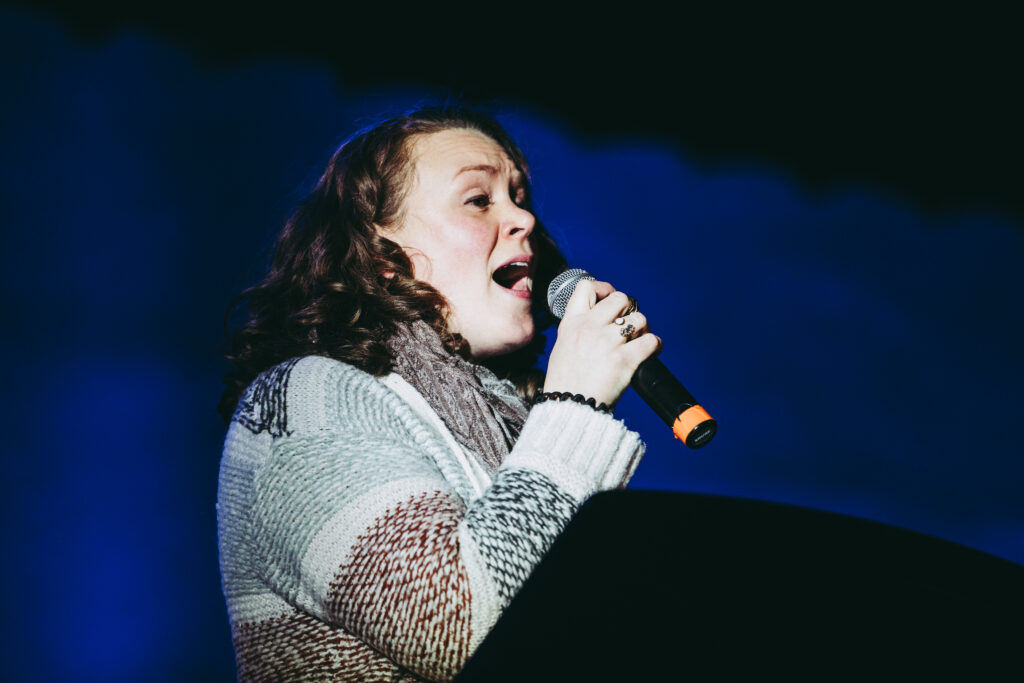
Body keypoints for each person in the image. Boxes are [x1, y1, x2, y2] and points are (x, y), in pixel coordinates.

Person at [216, 106, 661, 682]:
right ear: (381, 259)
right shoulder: (305, 400)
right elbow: (460, 630)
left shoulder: (513, 426)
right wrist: (575, 410)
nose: (522, 218)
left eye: (519, 196)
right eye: (479, 199)